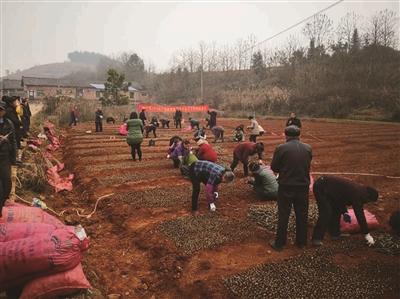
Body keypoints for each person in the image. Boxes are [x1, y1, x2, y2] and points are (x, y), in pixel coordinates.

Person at [270, 125, 312, 251]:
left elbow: (275, 167)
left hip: (286, 186)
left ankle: (279, 244)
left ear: (285, 135)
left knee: (284, 214)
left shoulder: (281, 148)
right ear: (299, 135)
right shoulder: (308, 148)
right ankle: (301, 242)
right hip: (303, 186)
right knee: (302, 214)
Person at [311, 176, 379, 247]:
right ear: (368, 196)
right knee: (326, 212)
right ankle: (316, 238)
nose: (367, 202)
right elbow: (359, 214)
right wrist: (367, 234)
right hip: (321, 187)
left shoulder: (360, 191)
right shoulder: (358, 194)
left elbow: (341, 198)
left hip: (331, 191)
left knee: (336, 210)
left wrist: (344, 212)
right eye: (369, 201)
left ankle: (335, 233)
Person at [0, 101, 17, 217]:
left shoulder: (8, 123)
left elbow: (13, 140)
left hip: (5, 157)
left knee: (7, 183)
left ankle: (2, 202)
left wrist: (13, 158)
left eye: (1, 110)